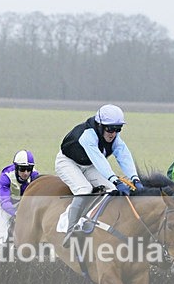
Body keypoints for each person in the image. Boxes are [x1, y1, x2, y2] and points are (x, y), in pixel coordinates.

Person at [55, 104, 144, 246]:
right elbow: (99, 160)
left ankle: (91, 220)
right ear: (100, 126)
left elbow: (124, 156)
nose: (113, 133)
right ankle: (70, 230)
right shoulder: (87, 136)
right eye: (110, 128)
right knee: (84, 189)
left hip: (88, 165)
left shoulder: (115, 138)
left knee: (112, 191)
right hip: (67, 162)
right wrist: (116, 180)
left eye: (118, 129)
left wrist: (135, 179)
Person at [0, 150, 39, 246]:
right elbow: (5, 202)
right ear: (16, 167)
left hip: (20, 204)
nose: (25, 173)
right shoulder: (6, 176)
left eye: (29, 169)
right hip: (1, 205)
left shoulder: (34, 176)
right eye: (22, 169)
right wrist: (17, 213)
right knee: (1, 239)